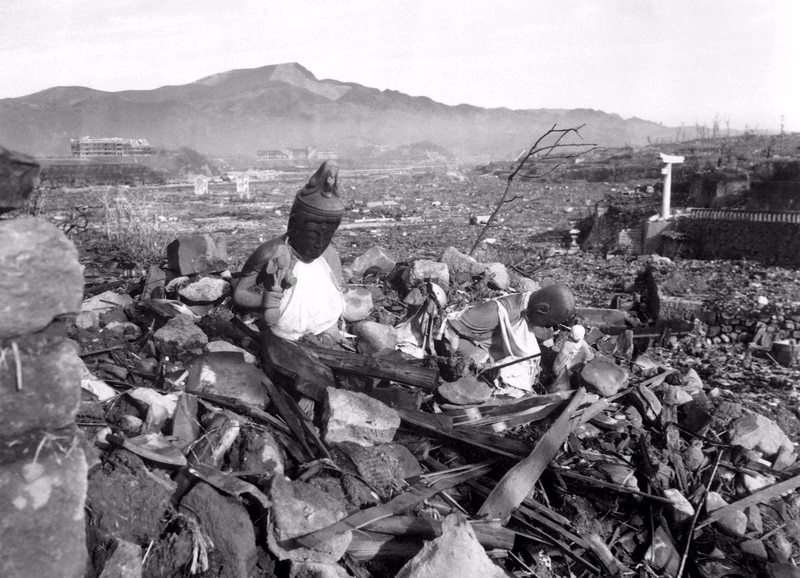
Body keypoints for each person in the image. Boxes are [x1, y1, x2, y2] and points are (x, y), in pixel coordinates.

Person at [233, 161, 345, 341]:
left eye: (328, 236)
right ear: (293, 223)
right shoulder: (272, 251)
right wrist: (263, 301)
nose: (319, 244)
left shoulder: (329, 256)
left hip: (324, 325)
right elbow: (239, 293)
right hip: (283, 330)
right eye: (312, 234)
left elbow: (333, 296)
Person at [438, 283, 576, 396]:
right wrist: (481, 360)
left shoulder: (527, 308)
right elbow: (449, 332)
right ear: (541, 309)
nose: (549, 329)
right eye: (548, 325)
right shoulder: (497, 311)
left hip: (492, 351)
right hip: (476, 355)